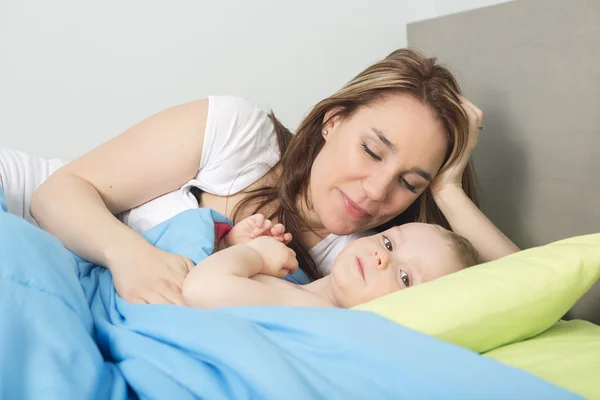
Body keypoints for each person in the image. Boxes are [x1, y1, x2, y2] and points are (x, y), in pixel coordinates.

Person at [2, 48, 518, 306]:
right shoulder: (241, 132)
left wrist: (447, 186)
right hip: (20, 208)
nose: (376, 191)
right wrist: (129, 254)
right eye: (371, 150)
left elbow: (524, 292)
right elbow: (57, 193)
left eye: (411, 181)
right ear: (333, 121)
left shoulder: (366, 259)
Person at [183, 212, 482, 309]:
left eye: (405, 278)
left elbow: (200, 289)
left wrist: (255, 255)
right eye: (388, 243)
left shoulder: (321, 314)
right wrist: (230, 245)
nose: (382, 258)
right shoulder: (297, 286)